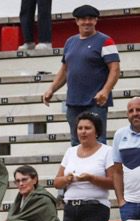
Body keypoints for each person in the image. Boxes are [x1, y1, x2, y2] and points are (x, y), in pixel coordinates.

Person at [42, 4, 120, 146]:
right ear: (77, 21)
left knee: (98, 142)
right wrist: (51, 89)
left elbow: (115, 69)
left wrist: (106, 90)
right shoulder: (70, 42)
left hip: (96, 102)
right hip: (73, 102)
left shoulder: (105, 41)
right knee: (76, 142)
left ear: (96, 21)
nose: (87, 22)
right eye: (83, 19)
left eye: (91, 18)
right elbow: (65, 69)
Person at [111, 97, 140, 221]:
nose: (135, 113)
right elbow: (117, 171)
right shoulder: (119, 135)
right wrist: (121, 200)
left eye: (138, 109)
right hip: (129, 204)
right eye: (131, 111)